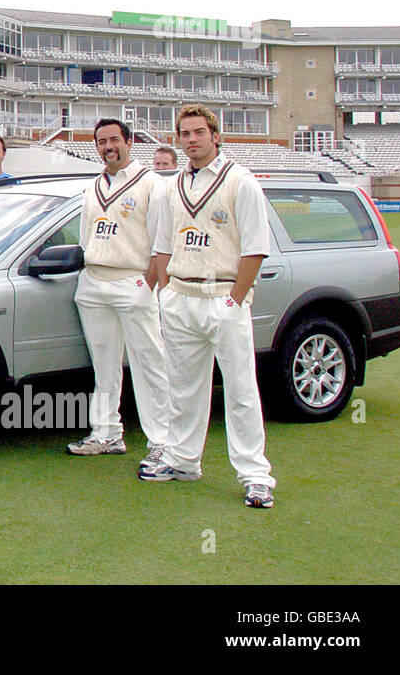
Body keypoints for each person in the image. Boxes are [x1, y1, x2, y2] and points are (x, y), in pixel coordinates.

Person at [146, 104, 276, 509]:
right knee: (184, 388)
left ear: (215, 136)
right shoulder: (171, 187)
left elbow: (255, 249)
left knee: (240, 391)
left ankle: (256, 475)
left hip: (223, 297)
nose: (192, 139)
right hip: (181, 298)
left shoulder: (241, 181)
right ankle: (184, 460)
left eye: (199, 132)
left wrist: (235, 298)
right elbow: (163, 245)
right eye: (185, 133)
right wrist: (166, 291)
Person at [67, 118, 173, 463]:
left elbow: (162, 243)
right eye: (101, 141)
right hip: (94, 281)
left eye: (114, 140)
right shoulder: (93, 186)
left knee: (148, 363)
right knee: (104, 365)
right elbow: (86, 237)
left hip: (133, 281)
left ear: (129, 141)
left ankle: (162, 440)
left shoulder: (152, 184)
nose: (108, 146)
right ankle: (107, 432)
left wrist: (147, 285)